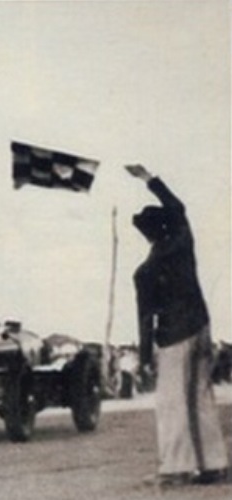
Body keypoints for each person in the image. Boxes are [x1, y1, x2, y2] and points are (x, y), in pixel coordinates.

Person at [125, 164, 228, 487]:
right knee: (200, 397)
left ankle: (177, 467)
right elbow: (178, 208)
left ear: (147, 234)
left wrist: (143, 359)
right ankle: (214, 464)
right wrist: (149, 179)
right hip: (200, 326)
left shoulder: (145, 272)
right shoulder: (183, 243)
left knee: (172, 403)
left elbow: (145, 320)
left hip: (173, 337)